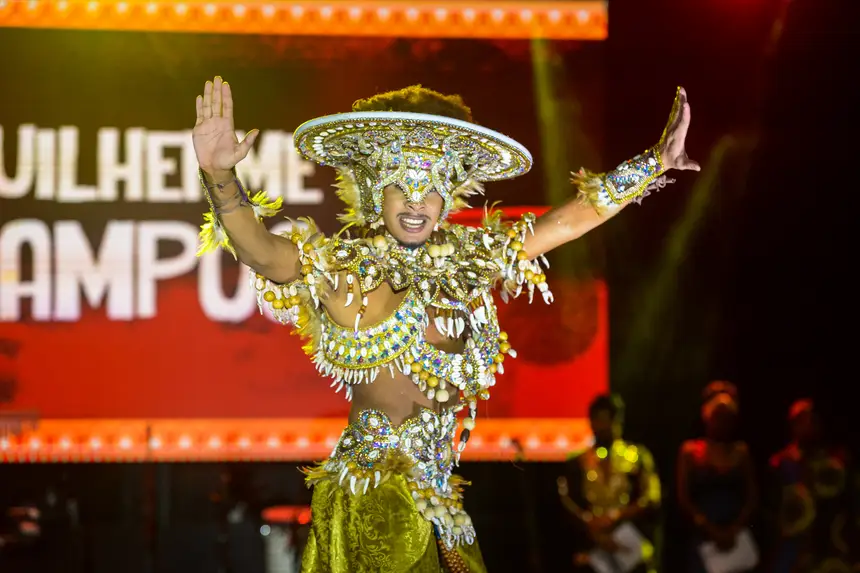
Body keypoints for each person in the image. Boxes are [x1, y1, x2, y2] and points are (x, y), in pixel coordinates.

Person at [191, 76, 699, 572]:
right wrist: (219, 176)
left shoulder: (471, 260)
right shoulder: (342, 267)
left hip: (439, 499)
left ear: (449, 195)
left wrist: (655, 162)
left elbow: (566, 221)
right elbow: (261, 252)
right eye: (401, 188)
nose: (416, 202)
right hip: (373, 495)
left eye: (431, 190)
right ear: (374, 191)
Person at [557, 394, 661, 572]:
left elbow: (652, 496)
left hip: (630, 542)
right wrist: (591, 527)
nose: (604, 427)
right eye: (598, 420)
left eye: (608, 420)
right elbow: (566, 501)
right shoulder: (578, 462)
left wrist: (617, 517)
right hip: (593, 546)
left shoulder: (637, 456)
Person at [676, 381, 758, 572]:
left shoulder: (741, 452)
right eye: (718, 416)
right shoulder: (690, 452)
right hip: (704, 539)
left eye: (727, 417)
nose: (723, 423)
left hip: (736, 535)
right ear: (707, 416)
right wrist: (710, 529)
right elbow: (684, 498)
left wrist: (734, 529)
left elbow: (752, 497)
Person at [768, 399, 857, 573]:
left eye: (813, 419)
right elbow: (772, 510)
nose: (810, 424)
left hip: (829, 546)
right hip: (794, 547)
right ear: (793, 425)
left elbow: (849, 504)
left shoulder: (836, 460)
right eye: (803, 420)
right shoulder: (780, 463)